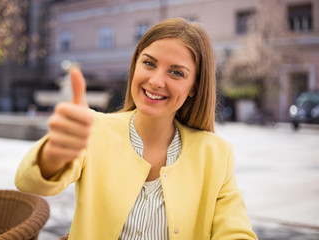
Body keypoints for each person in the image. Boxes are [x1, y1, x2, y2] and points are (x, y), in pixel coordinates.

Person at [15, 17, 258, 239]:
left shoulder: (216, 154)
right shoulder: (94, 130)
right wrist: (54, 154)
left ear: (194, 86)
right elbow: (29, 183)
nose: (156, 81)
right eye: (149, 63)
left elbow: (235, 232)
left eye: (176, 72)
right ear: (136, 64)